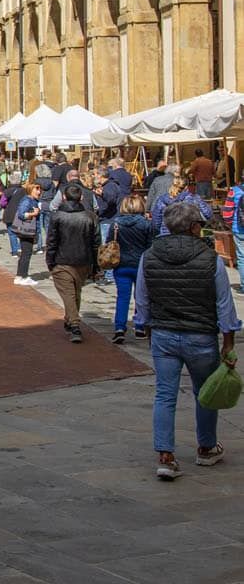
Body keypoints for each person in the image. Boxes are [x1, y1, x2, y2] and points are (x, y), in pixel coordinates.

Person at [134, 199, 239, 480]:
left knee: (165, 395)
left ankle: (166, 456)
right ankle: (206, 447)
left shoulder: (149, 256)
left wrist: (143, 326)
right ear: (194, 227)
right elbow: (224, 304)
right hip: (201, 335)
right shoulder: (210, 259)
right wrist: (228, 339)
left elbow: (142, 299)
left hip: (164, 334)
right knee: (205, 393)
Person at [45, 183, 100, 343]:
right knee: (75, 292)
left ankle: (74, 324)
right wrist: (96, 265)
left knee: (71, 293)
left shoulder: (57, 217)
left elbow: (52, 241)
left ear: (63, 197)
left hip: (62, 259)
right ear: (81, 197)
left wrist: (50, 260)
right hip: (83, 260)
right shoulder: (90, 217)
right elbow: (96, 243)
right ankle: (71, 320)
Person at [113, 194, 157, 343]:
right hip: (141, 264)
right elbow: (151, 246)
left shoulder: (116, 223)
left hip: (121, 264)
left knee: (122, 297)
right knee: (142, 297)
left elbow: (109, 242)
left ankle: (119, 327)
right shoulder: (146, 224)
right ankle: (140, 326)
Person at [11, 181, 42, 285]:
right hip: (26, 230)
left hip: (29, 230)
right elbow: (21, 214)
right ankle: (22, 276)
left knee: (26, 253)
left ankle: (21, 275)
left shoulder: (33, 200)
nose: (39, 191)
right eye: (36, 189)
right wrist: (33, 213)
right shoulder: (27, 200)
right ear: (30, 190)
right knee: (26, 253)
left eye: (39, 189)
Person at [98, 158, 133, 242]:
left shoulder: (112, 176)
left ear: (114, 165)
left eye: (110, 166)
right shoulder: (128, 175)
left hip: (112, 207)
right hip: (125, 203)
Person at [225, 178, 244, 295]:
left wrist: (230, 225)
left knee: (242, 258)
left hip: (239, 229)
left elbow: (227, 213)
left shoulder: (234, 191)